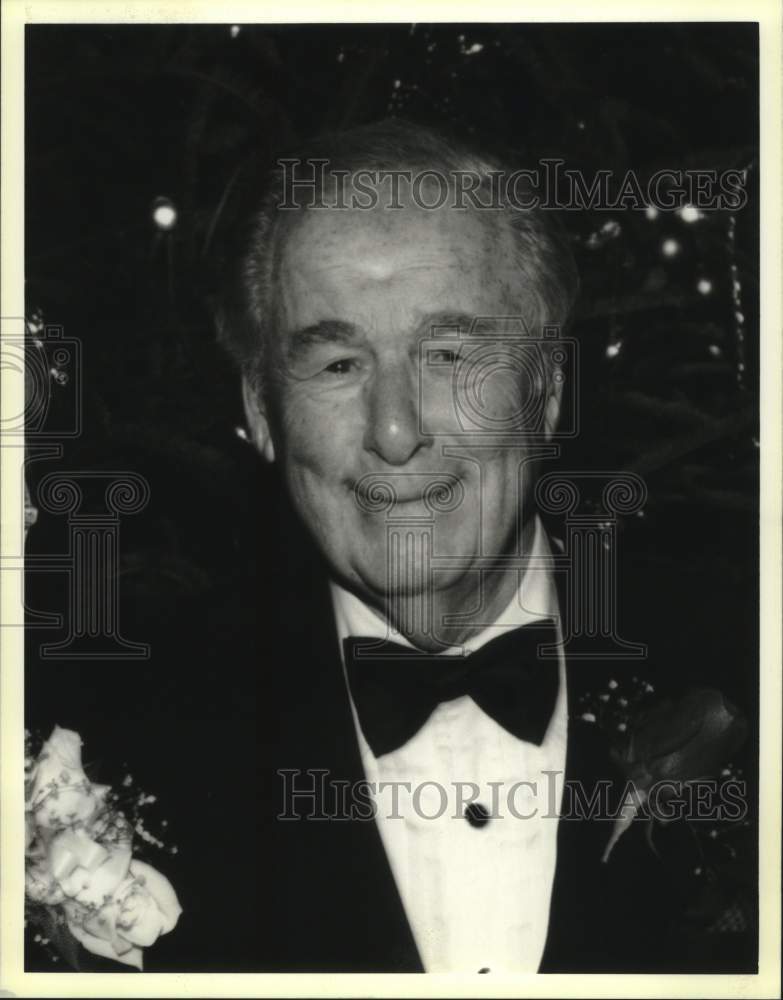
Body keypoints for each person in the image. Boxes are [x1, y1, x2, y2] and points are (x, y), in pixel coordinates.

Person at [25, 119, 757, 975]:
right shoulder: (119, 737)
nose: (396, 430)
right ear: (262, 412)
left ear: (546, 390)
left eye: (448, 354)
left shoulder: (747, 656)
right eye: (337, 365)